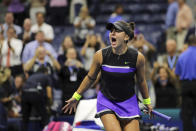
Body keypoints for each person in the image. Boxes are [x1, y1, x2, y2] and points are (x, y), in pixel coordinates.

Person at [62, 20, 152, 131]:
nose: (112, 34)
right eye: (111, 31)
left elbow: (142, 81)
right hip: (107, 101)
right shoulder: (100, 55)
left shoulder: (138, 57)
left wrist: (147, 102)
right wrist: (76, 96)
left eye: (117, 31)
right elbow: (90, 78)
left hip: (129, 102)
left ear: (126, 37)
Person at [175, 34, 196, 131]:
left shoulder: (182, 56)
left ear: (188, 43)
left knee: (186, 114)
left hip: (185, 85)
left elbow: (177, 74)